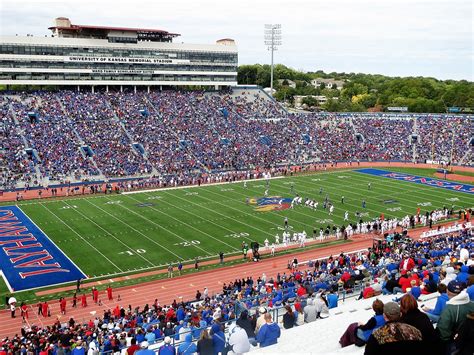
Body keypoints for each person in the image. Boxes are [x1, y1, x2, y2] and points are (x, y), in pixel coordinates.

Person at [437, 280, 473, 353]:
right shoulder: (472, 303)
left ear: (447, 291)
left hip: (456, 343)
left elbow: (443, 333)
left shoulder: (448, 310)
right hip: (470, 341)